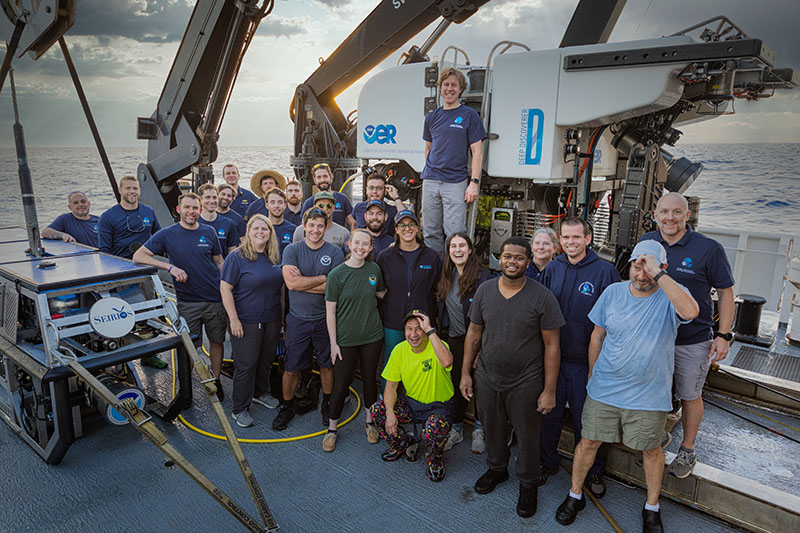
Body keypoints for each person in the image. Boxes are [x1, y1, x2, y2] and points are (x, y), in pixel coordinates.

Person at [555, 240, 698, 532]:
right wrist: (594, 374)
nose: (641, 274)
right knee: (589, 442)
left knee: (651, 451)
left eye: (648, 268)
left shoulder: (672, 296)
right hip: (605, 388)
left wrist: (658, 273)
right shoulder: (613, 292)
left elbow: (692, 311)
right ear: (630, 264)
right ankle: (575, 494)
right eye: (637, 266)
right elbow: (597, 335)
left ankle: (652, 507)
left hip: (649, 394)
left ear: (662, 268)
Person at [461, 236, 564, 519]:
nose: (512, 262)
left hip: (526, 380)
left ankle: (529, 483)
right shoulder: (485, 291)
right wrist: (466, 373)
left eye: (519, 257)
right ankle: (497, 469)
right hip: (488, 377)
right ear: (500, 258)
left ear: (528, 262)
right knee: (492, 428)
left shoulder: (542, 296)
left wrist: (549, 390)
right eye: (508, 256)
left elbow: (553, 345)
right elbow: (474, 333)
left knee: (528, 435)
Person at [640, 192, 735, 479]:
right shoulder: (647, 243)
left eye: (676, 212)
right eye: (664, 212)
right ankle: (655, 439)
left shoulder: (709, 248)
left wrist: (724, 335)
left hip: (692, 338)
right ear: (655, 215)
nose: (670, 218)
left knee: (691, 394)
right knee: (653, 390)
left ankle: (687, 449)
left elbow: (726, 293)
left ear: (687, 215)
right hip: (655, 338)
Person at [538, 218, 620, 497]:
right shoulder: (551, 268)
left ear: (588, 239)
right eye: (566, 238)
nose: (570, 242)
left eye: (576, 237)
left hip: (587, 363)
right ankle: (547, 463)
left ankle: (595, 471)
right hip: (554, 360)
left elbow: (614, 320)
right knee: (549, 415)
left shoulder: (605, 272)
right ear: (560, 240)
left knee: (591, 422)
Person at [133, 193, 227, 400]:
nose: (191, 211)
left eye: (195, 208)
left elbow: (219, 261)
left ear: (200, 211)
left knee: (217, 341)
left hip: (214, 299)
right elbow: (139, 256)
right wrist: (170, 267)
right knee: (188, 348)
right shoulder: (167, 234)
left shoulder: (209, 231)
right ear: (179, 210)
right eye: (187, 207)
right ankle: (186, 388)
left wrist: (226, 286)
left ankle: (217, 380)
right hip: (187, 302)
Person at [274, 208, 345, 431]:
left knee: (327, 364)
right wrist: (323, 279)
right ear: (304, 226)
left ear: (325, 227)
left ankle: (327, 403)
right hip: (298, 320)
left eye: (320, 226)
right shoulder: (292, 250)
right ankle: (287, 405)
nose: (315, 230)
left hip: (326, 320)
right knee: (291, 366)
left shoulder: (335, 252)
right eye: (311, 225)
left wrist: (307, 282)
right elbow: (291, 284)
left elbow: (334, 289)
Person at [370, 310, 454, 482]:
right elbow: (391, 386)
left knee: (433, 428)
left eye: (419, 329)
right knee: (378, 409)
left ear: (425, 330)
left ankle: (435, 461)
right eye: (409, 329)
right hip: (413, 405)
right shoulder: (399, 350)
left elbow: (447, 362)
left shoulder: (439, 345)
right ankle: (401, 444)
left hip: (439, 408)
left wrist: (430, 330)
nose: (414, 334)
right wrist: (390, 414)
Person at [322, 229, 387, 452]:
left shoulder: (374, 270)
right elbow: (330, 312)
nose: (360, 247)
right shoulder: (336, 275)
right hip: (345, 339)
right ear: (349, 244)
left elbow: (381, 294)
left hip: (371, 336)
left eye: (365, 244)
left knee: (370, 380)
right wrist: (333, 343)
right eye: (357, 242)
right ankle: (332, 429)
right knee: (341, 385)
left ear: (370, 248)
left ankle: (369, 423)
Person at [220, 214, 283, 427]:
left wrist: (281, 318)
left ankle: (260, 392)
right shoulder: (237, 257)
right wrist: (234, 319)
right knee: (246, 365)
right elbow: (225, 288)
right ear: (248, 232)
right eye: (256, 229)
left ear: (270, 233)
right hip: (246, 320)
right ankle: (240, 408)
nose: (260, 232)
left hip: (271, 318)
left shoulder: (274, 256)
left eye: (264, 229)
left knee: (266, 360)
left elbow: (280, 288)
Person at [420, 67, 487, 258]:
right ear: (440, 88)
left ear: (460, 89)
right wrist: (432, 167)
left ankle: (455, 279)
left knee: (456, 234)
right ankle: (436, 276)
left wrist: (473, 183)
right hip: (431, 181)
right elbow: (428, 147)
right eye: (446, 85)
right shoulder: (432, 117)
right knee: (430, 232)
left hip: (455, 182)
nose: (449, 89)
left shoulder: (469, 115)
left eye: (454, 85)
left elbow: (477, 151)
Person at [435, 232, 493, 454]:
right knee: (457, 382)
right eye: (453, 246)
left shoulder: (483, 277)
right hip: (455, 339)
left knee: (480, 385)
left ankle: (479, 428)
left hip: (479, 341)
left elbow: (488, 317)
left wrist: (481, 349)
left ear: (470, 250)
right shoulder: (446, 275)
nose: (457, 250)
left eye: (462, 246)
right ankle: (457, 427)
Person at [376, 210, 442, 365]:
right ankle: (387, 390)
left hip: (422, 321)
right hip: (393, 321)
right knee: (392, 362)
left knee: (421, 363)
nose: (407, 228)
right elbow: (378, 287)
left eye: (411, 224)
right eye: (402, 225)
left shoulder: (431, 256)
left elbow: (437, 288)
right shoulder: (385, 257)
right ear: (396, 229)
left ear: (417, 228)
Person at [97, 175, 161, 259]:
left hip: (146, 264)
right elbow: (104, 250)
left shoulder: (149, 211)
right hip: (121, 265)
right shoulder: (107, 216)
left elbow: (159, 237)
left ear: (140, 191)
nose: (132, 191)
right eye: (128, 188)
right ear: (120, 190)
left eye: (135, 188)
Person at [299, 163, 355, 228]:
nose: (322, 180)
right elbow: (303, 226)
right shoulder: (309, 203)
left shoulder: (342, 199)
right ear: (314, 180)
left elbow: (353, 222)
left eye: (325, 176)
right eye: (319, 177)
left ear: (331, 177)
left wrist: (352, 235)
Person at [198, 183, 239, 257]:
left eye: (214, 197)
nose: (212, 201)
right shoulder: (194, 223)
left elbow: (232, 252)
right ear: (200, 200)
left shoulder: (228, 223)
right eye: (208, 197)